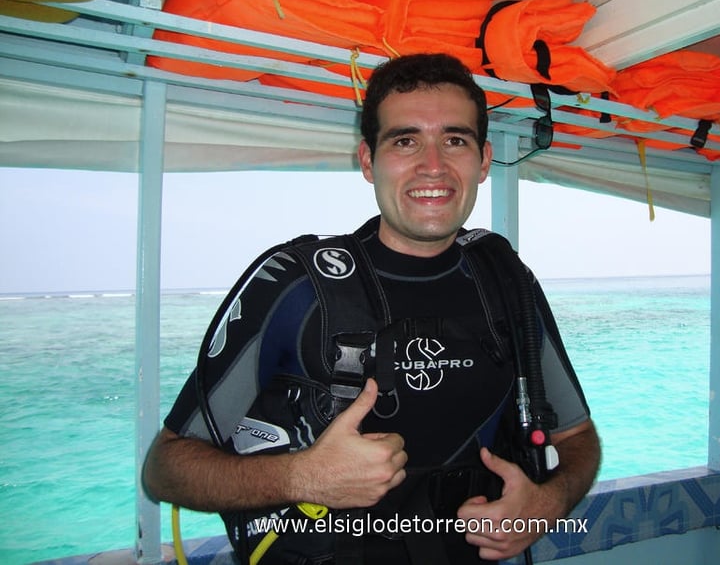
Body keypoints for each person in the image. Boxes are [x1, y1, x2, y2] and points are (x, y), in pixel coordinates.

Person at [143, 52, 601, 564]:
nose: (434, 165)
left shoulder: (507, 283)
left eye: (455, 140)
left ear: (484, 160)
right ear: (368, 161)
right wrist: (304, 476)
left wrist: (545, 504)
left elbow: (578, 438)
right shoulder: (298, 287)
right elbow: (166, 468)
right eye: (405, 141)